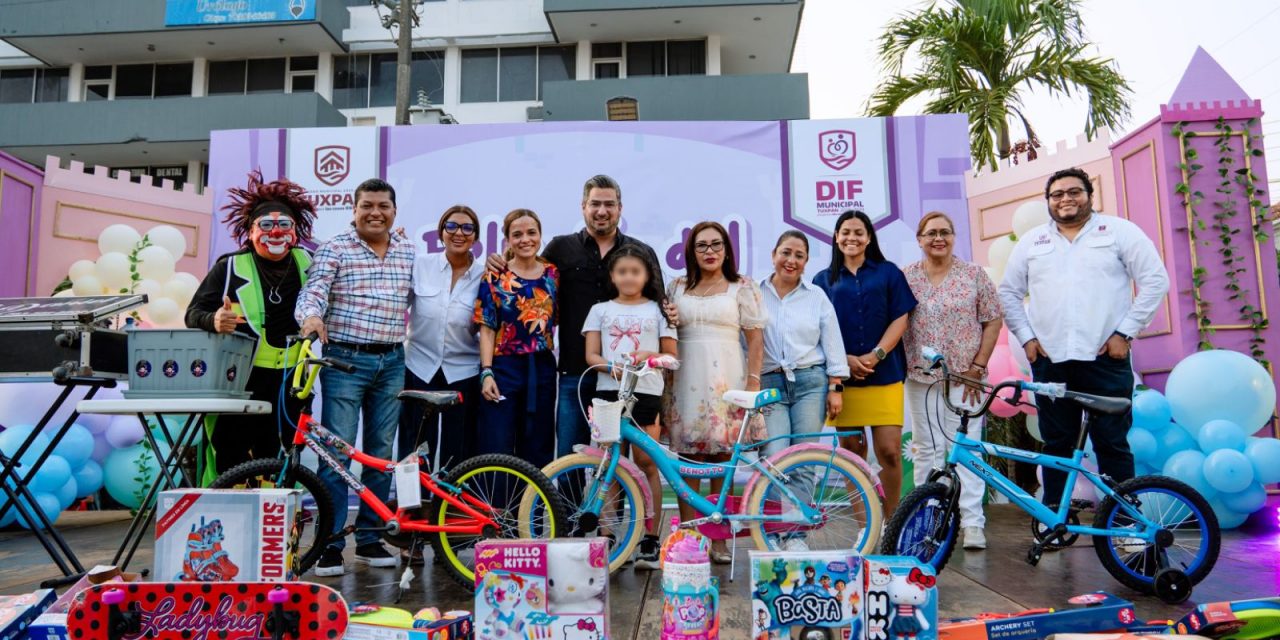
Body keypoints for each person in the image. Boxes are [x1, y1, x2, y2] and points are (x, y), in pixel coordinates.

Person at [999, 167, 1169, 506]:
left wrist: (1126, 332)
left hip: (1105, 359)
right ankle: (1053, 524)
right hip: (1050, 363)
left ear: (1089, 195)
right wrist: (1027, 339)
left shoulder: (1120, 232)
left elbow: (1155, 280)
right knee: (1056, 444)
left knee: (1112, 443)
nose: (1066, 199)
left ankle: (1126, 524)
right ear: (1049, 201)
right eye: (1057, 194)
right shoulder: (1034, 242)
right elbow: (1008, 292)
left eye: (1074, 192)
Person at [486, 175, 664, 459]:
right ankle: (570, 507)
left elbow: (658, 308)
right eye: (595, 204)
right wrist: (499, 261)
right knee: (572, 455)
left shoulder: (640, 253)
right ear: (583, 207)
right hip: (574, 373)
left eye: (609, 204)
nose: (601, 211)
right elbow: (530, 275)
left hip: (626, 378)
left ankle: (616, 506)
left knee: (621, 462)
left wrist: (673, 314)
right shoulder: (560, 248)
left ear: (620, 208)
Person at [295, 178, 413, 577]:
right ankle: (329, 544)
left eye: (383, 205)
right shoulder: (335, 248)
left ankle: (370, 538)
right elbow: (314, 291)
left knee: (382, 454)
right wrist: (311, 316)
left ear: (394, 210)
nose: (375, 212)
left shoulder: (409, 251)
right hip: (344, 360)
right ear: (354, 208)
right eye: (367, 205)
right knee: (337, 452)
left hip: (393, 362)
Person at [185, 170, 316, 483]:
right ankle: (221, 518)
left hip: (291, 380)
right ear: (250, 230)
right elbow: (193, 313)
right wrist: (214, 320)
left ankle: (278, 523)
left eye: (284, 224)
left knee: (282, 456)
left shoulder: (311, 263)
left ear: (295, 231)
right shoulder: (228, 267)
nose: (275, 232)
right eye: (266, 225)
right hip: (239, 378)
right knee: (229, 455)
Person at [665, 221, 767, 563]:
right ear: (691, 252)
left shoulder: (742, 286)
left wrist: (753, 381)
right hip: (686, 377)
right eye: (702, 246)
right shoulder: (676, 286)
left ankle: (718, 538)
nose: (710, 252)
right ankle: (691, 537)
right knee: (690, 462)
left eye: (716, 245)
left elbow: (754, 339)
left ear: (727, 249)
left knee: (723, 460)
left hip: (729, 378)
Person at [902, 211, 1002, 550]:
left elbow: (992, 321)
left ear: (953, 237)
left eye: (945, 232)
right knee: (926, 450)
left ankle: (972, 524)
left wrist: (978, 367)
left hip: (965, 379)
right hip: (920, 377)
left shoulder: (973, 275)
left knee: (967, 450)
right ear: (919, 239)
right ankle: (924, 519)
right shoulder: (907, 277)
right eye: (930, 233)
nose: (938, 238)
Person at [814, 210, 917, 519]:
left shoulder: (888, 273)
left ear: (869, 237)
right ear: (836, 236)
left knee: (888, 451)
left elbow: (902, 317)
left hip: (884, 374)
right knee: (852, 452)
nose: (852, 238)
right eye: (845, 232)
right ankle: (865, 526)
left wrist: (877, 355)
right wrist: (843, 360)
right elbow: (815, 328)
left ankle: (891, 522)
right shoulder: (822, 280)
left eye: (859, 232)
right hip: (844, 381)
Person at [581, 244, 677, 569]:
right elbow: (591, 356)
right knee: (610, 464)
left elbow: (670, 356)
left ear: (647, 275)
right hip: (609, 394)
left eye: (635, 271)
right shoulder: (599, 309)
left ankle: (650, 539)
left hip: (647, 394)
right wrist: (611, 367)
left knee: (647, 464)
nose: (629, 277)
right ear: (612, 275)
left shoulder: (659, 310)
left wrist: (645, 358)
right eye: (622, 271)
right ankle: (608, 536)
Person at [758, 230, 849, 552]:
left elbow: (833, 343)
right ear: (773, 254)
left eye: (799, 255)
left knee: (804, 460)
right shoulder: (756, 293)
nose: (791, 260)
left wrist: (836, 387)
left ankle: (794, 534)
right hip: (769, 385)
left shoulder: (816, 296)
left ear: (807, 261)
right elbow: (746, 342)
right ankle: (770, 531)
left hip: (811, 383)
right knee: (773, 458)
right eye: (786, 252)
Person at [401, 205, 484, 473]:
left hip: (463, 372)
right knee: (414, 450)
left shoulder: (486, 275)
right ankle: (412, 511)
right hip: (418, 367)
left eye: (467, 228)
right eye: (451, 226)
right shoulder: (420, 265)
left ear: (475, 236)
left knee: (458, 450)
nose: (459, 233)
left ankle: (452, 512)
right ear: (441, 232)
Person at [475, 209, 559, 468]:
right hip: (503, 367)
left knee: (538, 442)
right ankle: (497, 508)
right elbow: (487, 327)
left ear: (540, 236)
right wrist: (486, 371)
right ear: (508, 240)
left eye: (531, 233)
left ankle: (531, 508)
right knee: (497, 441)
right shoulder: (495, 275)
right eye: (517, 234)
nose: (525, 239)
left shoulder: (552, 274)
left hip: (542, 367)